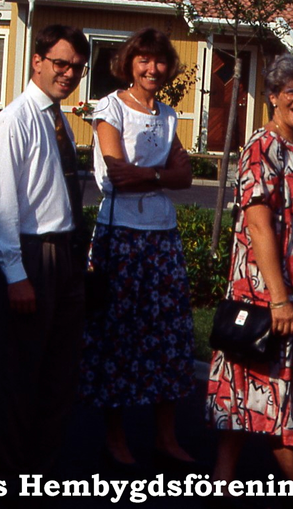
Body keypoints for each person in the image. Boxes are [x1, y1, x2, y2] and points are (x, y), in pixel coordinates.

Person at [205, 55, 293, 501]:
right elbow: (258, 223)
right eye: (290, 91)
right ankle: (285, 479)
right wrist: (279, 298)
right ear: (272, 96)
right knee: (255, 376)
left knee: (270, 381)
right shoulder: (262, 146)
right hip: (265, 288)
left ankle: (225, 475)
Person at [79, 27, 196, 469]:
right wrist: (164, 175)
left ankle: (166, 437)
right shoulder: (109, 107)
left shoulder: (168, 115)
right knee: (119, 333)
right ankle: (116, 438)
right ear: (129, 62)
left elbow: (184, 177)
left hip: (162, 234)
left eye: (160, 60)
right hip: (121, 233)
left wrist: (156, 177)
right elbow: (117, 174)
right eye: (143, 59)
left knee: (167, 334)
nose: (152, 68)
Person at [0, 24, 90, 484]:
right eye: (60, 63)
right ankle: (8, 479)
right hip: (29, 259)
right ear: (37, 61)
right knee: (18, 380)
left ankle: (41, 476)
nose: (68, 74)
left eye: (77, 68)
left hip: (62, 258)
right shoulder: (15, 120)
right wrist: (15, 274)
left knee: (57, 379)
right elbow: (0, 204)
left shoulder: (58, 118)